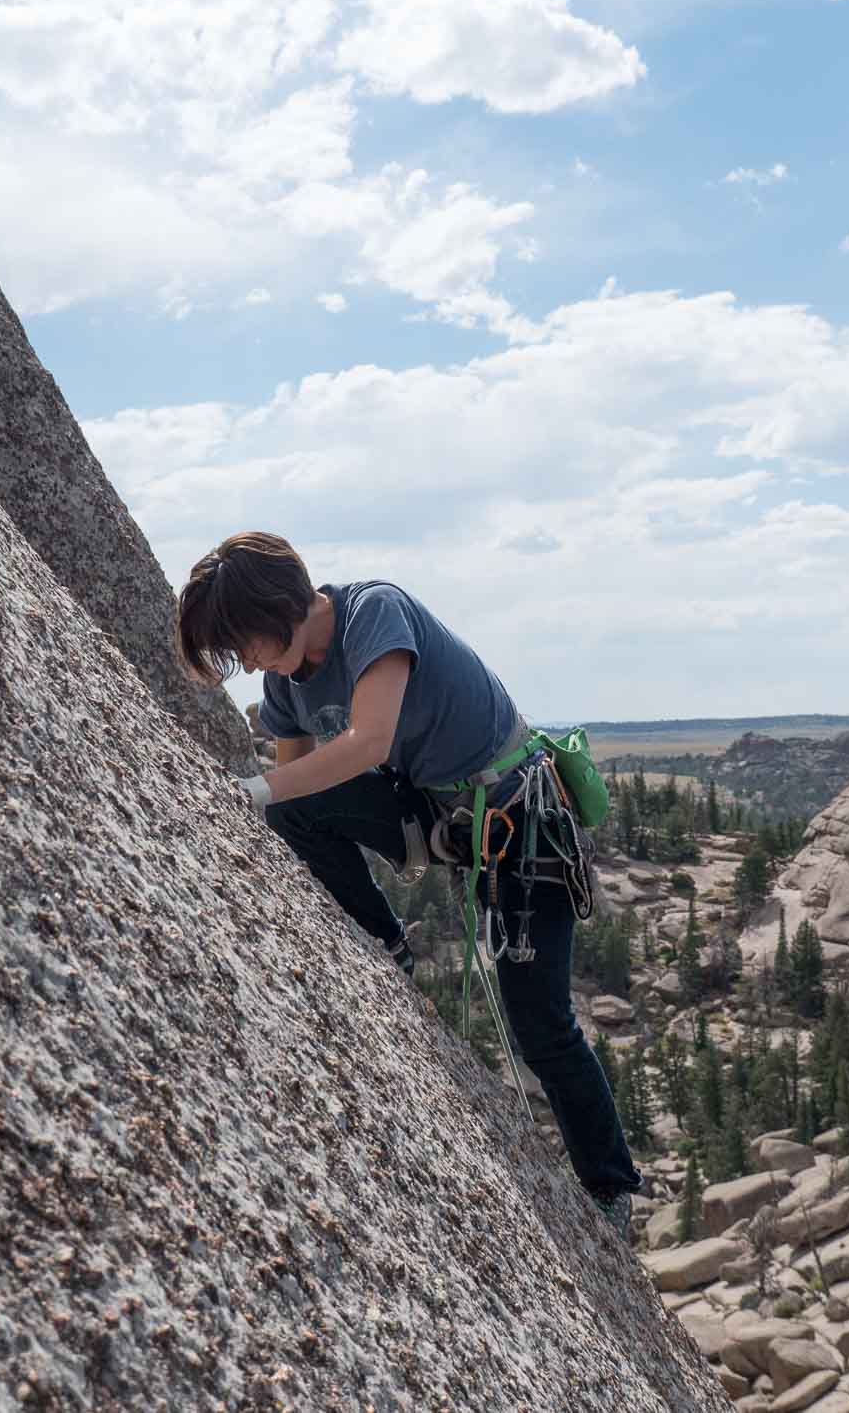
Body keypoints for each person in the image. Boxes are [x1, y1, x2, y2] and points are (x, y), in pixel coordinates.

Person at [175, 531, 642, 1240]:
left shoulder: (375, 614)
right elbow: (299, 787)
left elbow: (367, 742)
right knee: (293, 804)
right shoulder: (286, 682)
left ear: (277, 609)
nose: (246, 661)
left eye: (245, 642)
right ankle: (384, 942)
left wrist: (253, 790)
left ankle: (611, 1186)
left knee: (541, 1025)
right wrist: (265, 796)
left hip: (519, 822)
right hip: (440, 815)